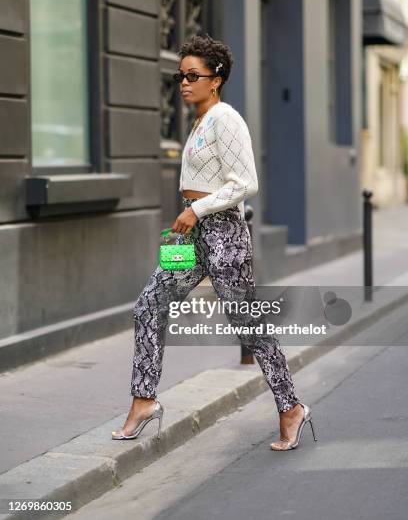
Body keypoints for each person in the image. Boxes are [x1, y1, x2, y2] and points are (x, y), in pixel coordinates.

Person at [112, 35, 317, 451]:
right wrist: (186, 219)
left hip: (223, 233)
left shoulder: (226, 119)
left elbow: (246, 183)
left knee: (247, 324)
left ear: (216, 79)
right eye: (180, 76)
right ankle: (143, 400)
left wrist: (197, 209)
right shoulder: (199, 121)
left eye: (193, 75)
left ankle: (291, 408)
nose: (184, 83)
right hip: (192, 233)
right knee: (149, 305)